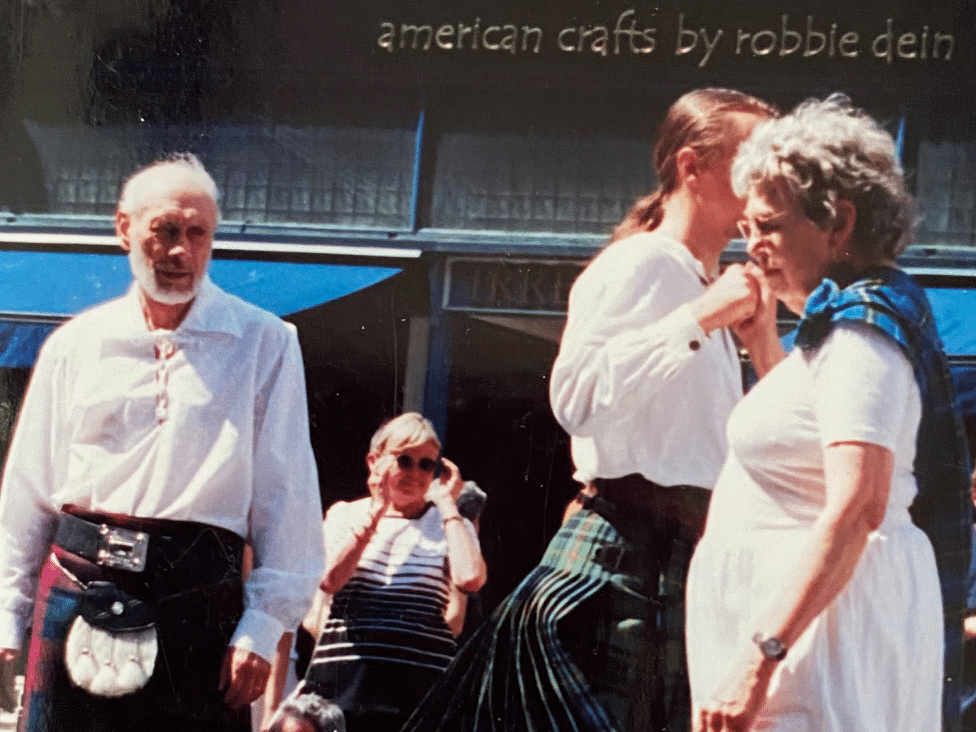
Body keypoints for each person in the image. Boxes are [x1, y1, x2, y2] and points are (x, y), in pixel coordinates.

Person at [400, 88, 779, 732]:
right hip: (626, 550)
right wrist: (700, 318)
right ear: (692, 167)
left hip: (679, 556)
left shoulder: (702, 282)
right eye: (754, 162)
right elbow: (574, 398)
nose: (769, 184)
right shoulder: (640, 263)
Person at [0, 153, 325, 732]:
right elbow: (25, 499)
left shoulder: (264, 342)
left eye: (198, 234)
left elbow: (288, 496)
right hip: (77, 586)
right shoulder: (76, 344)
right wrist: (6, 619)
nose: (182, 252)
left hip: (200, 606)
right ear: (123, 227)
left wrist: (263, 625)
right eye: (165, 231)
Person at [686, 95, 972, 732]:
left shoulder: (862, 335)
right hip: (808, 641)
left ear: (838, 224)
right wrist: (763, 341)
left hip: (816, 650)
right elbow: (806, 443)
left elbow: (857, 507)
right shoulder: (839, 334)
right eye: (744, 230)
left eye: (769, 226)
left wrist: (760, 658)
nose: (752, 247)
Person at [269, 412, 486, 732]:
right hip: (344, 689)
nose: (415, 472)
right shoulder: (345, 514)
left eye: (427, 464)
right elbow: (329, 580)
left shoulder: (451, 525)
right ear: (374, 462)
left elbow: (469, 578)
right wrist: (375, 514)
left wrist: (448, 505)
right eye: (404, 460)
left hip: (420, 689)